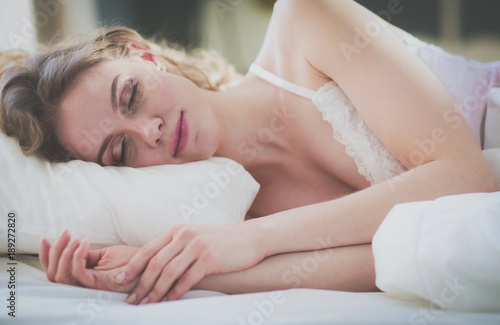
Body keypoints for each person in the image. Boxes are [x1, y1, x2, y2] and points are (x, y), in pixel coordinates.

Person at [1, 0, 499, 305]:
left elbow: (467, 178)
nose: (148, 130)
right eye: (121, 150)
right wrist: (150, 272)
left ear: (144, 55)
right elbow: (392, 259)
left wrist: (256, 241)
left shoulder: (304, 23)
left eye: (130, 95)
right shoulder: (229, 211)